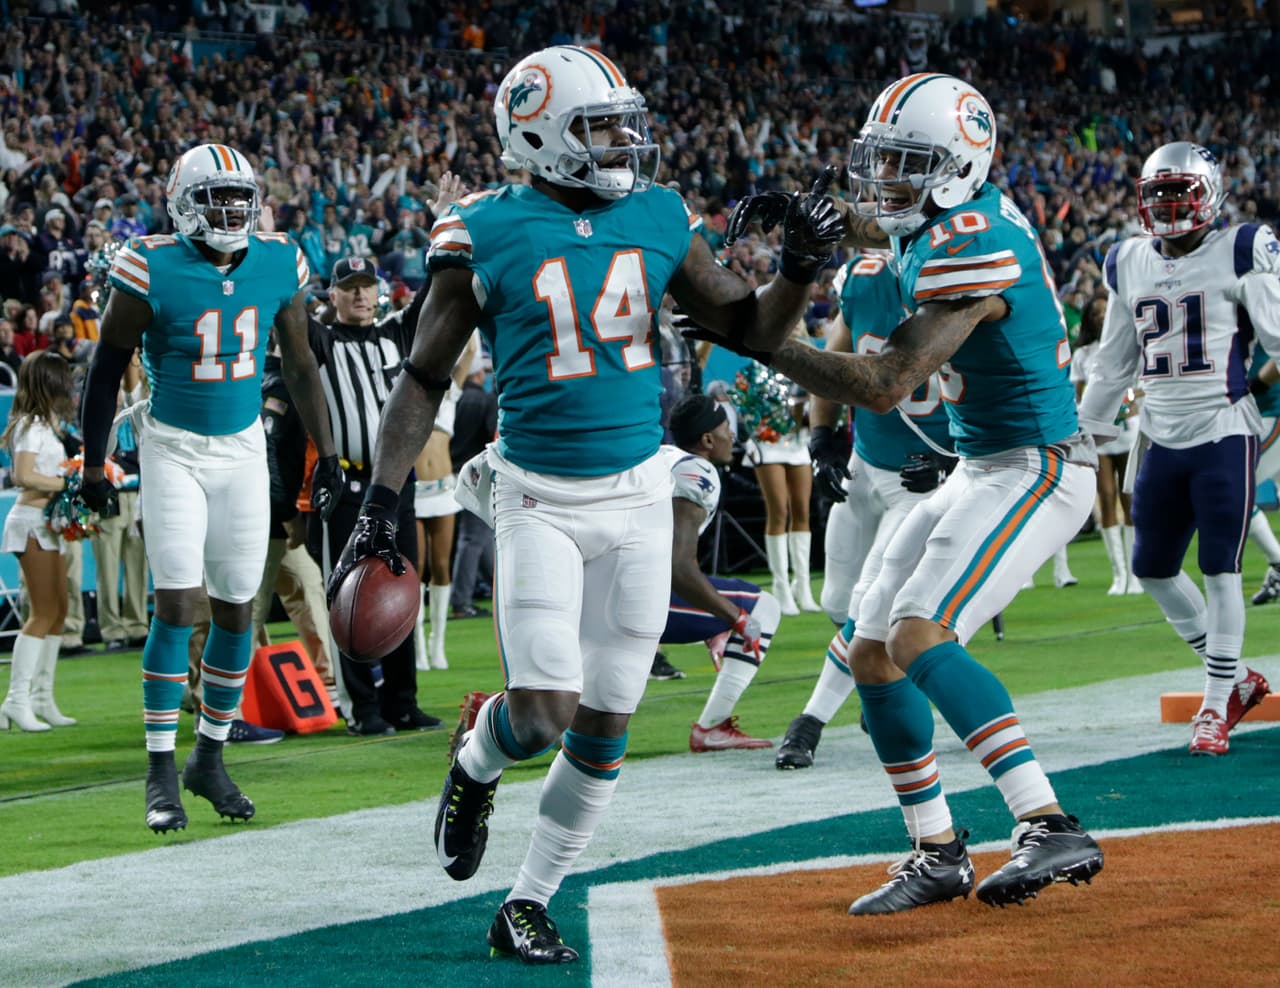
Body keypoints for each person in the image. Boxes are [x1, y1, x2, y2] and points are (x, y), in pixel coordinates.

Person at [329, 45, 840, 964]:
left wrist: (798, 266)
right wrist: (380, 503)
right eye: (598, 125)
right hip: (538, 500)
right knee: (543, 714)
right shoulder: (481, 231)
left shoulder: (655, 212)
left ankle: (527, 900)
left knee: (608, 719)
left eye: (620, 121)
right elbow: (419, 379)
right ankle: (478, 757)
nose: (621, 140)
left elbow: (751, 328)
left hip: (640, 493)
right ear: (539, 134)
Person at [703, 74, 1105, 912]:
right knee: (870, 647)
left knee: (921, 633)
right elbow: (883, 226)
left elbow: (885, 383)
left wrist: (760, 343)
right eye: (881, 159)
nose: (885, 180)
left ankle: (1048, 822)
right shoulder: (942, 219)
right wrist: (802, 214)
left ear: (957, 167)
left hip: (1039, 465)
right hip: (984, 465)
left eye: (906, 162)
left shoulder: (975, 239)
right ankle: (937, 849)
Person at [76, 144, 341, 833]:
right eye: (216, 197)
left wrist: (329, 456)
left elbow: (303, 364)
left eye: (239, 198)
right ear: (185, 202)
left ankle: (209, 758)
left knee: (234, 610)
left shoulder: (281, 259)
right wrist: (93, 464)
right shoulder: (150, 264)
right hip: (174, 449)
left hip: (244, 448)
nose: (230, 211)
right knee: (177, 603)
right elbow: (105, 368)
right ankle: (160, 767)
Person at [1077, 141, 1276, 756]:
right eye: (1157, 193)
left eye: (1179, 191)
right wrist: (1083, 432)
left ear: (1209, 192)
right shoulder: (1127, 259)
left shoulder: (1241, 248)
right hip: (1159, 433)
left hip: (1222, 427)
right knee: (1153, 570)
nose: (1167, 204)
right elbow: (1112, 364)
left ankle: (1214, 707)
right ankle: (1236, 677)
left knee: (1221, 568)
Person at [775, 249, 954, 770]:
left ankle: (808, 722)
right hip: (865, 463)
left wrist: (954, 460)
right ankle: (881, 677)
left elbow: (994, 391)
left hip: (920, 481)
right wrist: (823, 435)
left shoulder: (961, 284)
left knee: (865, 601)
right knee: (837, 599)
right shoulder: (865, 277)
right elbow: (834, 360)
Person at [302, 255, 443, 735]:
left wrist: (439, 227)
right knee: (348, 597)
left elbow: (434, 295)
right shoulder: (322, 340)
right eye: (350, 287)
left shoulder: (396, 333)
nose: (361, 295)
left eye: (368, 285)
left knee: (400, 592)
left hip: (396, 486)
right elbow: (287, 314)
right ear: (333, 295)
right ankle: (362, 708)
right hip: (346, 486)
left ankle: (403, 702)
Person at [661, 394, 782, 751]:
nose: (734, 436)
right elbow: (676, 567)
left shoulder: (661, 457)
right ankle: (712, 727)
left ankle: (490, 709)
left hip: (599, 584)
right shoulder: (696, 471)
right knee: (762, 609)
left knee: (573, 716)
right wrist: (733, 618)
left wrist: (713, 618)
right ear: (708, 441)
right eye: (727, 429)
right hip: (635, 593)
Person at [0, 351, 76, 732]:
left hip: (48, 525)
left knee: (59, 611)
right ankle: (16, 700)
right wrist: (66, 483)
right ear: (49, 383)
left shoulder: (47, 425)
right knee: (42, 612)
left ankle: (43, 698)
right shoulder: (30, 425)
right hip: (30, 522)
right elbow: (23, 474)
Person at [410, 332, 476, 672]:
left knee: (441, 566)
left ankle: (438, 643)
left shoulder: (449, 394)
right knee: (416, 568)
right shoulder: (404, 394)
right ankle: (417, 645)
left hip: (444, 489)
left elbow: (470, 352)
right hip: (415, 492)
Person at [1071, 295, 1140, 594]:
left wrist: (1131, 402)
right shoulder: (1082, 354)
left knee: (1130, 497)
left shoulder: (1127, 342)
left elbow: (1141, 385)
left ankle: (1135, 575)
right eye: (1096, 313)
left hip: (1127, 428)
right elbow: (1078, 393)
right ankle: (1118, 574)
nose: (1101, 317)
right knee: (1106, 496)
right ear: (1088, 319)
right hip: (1097, 431)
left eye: (1105, 312)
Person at [743, 371, 822, 615]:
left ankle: (803, 585)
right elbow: (748, 409)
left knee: (802, 511)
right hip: (768, 442)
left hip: (798, 442)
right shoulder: (754, 371)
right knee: (778, 511)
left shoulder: (803, 367)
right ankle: (781, 586)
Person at [448, 349, 498, 620]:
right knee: (473, 538)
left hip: (449, 470)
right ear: (479, 374)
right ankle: (461, 601)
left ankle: (498, 586)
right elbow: (494, 436)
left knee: (480, 538)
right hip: (476, 475)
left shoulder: (453, 398)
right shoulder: (485, 400)